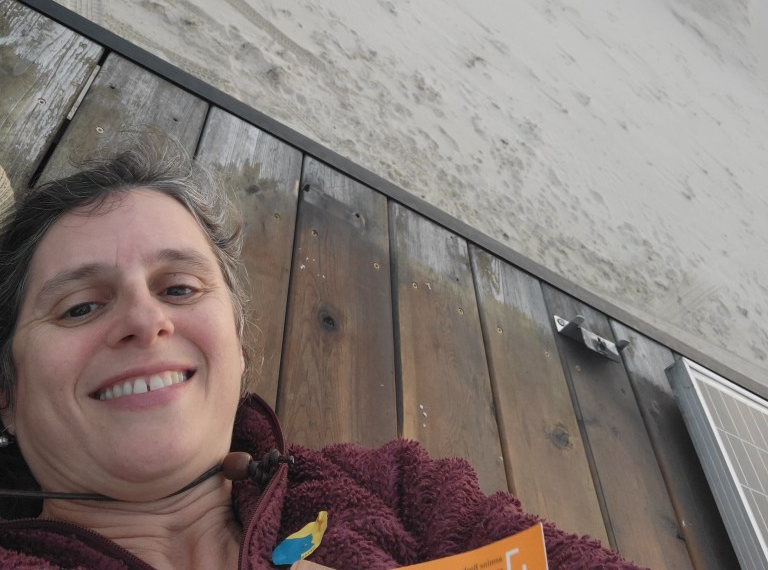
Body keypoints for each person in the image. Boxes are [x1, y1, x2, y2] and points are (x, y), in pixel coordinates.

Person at [0, 140, 647, 570]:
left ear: (237, 345)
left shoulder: (394, 487)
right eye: (79, 307)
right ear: (8, 392)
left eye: (179, 289)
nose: (145, 320)